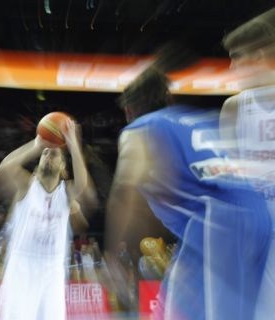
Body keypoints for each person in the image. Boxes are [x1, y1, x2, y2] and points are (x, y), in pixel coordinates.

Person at [105, 65, 272, 320]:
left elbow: (124, 191)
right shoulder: (194, 120)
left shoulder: (140, 129)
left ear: (128, 110)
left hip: (218, 223)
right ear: (168, 99)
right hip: (257, 216)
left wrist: (113, 255)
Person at [0, 118, 90, 320]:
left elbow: (82, 185)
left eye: (54, 154)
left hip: (53, 269)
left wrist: (73, 145)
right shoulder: (26, 185)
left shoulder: (66, 192)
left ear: (63, 167)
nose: (48, 155)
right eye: (45, 154)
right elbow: (1, 172)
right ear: (38, 164)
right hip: (21, 267)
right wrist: (36, 145)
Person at [220, 8, 275, 320]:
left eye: (236, 56)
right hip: (251, 233)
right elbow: (230, 179)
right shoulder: (235, 108)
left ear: (259, 56)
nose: (231, 65)